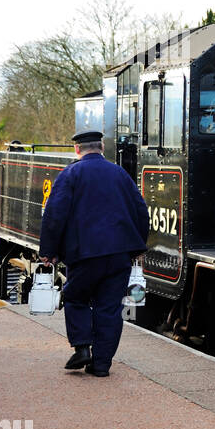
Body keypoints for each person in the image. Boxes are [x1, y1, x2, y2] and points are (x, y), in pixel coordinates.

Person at [38, 129, 149, 377]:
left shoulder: (70, 174)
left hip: (85, 255)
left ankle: (82, 348)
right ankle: (101, 365)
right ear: (101, 147)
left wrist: (48, 251)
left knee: (76, 298)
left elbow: (54, 215)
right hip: (120, 254)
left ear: (77, 149)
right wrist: (138, 246)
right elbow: (141, 210)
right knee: (109, 308)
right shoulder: (120, 174)